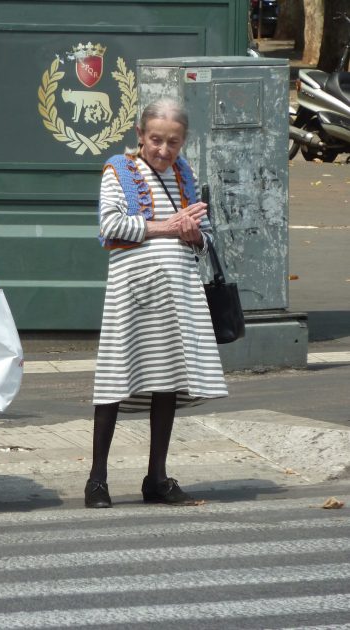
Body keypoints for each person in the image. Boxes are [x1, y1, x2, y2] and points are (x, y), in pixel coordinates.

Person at [85, 98, 228, 508]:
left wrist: (194, 235)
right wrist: (167, 226)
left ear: (183, 143)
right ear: (140, 136)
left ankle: (157, 477)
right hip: (132, 294)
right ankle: (97, 480)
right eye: (156, 140)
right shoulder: (119, 170)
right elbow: (110, 225)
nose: (164, 151)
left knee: (166, 381)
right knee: (114, 378)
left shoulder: (184, 173)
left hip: (177, 295)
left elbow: (207, 236)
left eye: (173, 143)